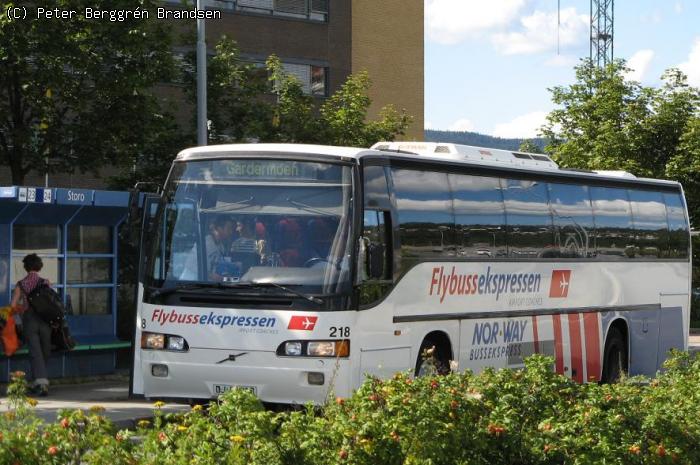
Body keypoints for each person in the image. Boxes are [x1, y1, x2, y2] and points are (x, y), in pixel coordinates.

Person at [10, 254, 52, 396]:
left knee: (35, 352)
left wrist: (20, 313)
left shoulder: (21, 284)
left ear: (26, 267)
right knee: (45, 350)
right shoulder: (45, 282)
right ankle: (40, 382)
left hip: (30, 320)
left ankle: (40, 383)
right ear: (39, 266)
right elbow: (51, 302)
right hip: (46, 320)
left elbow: (13, 306)